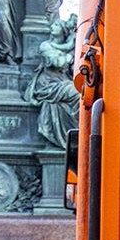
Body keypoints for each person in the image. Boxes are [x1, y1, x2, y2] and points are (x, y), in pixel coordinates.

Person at [27, 15, 80, 148]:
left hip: (62, 82)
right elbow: (58, 62)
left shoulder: (71, 47)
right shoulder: (45, 45)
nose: (52, 27)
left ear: (63, 30)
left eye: (56, 25)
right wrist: (69, 56)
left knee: (81, 94)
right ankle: (79, 131)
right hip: (47, 85)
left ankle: (79, 129)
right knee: (77, 93)